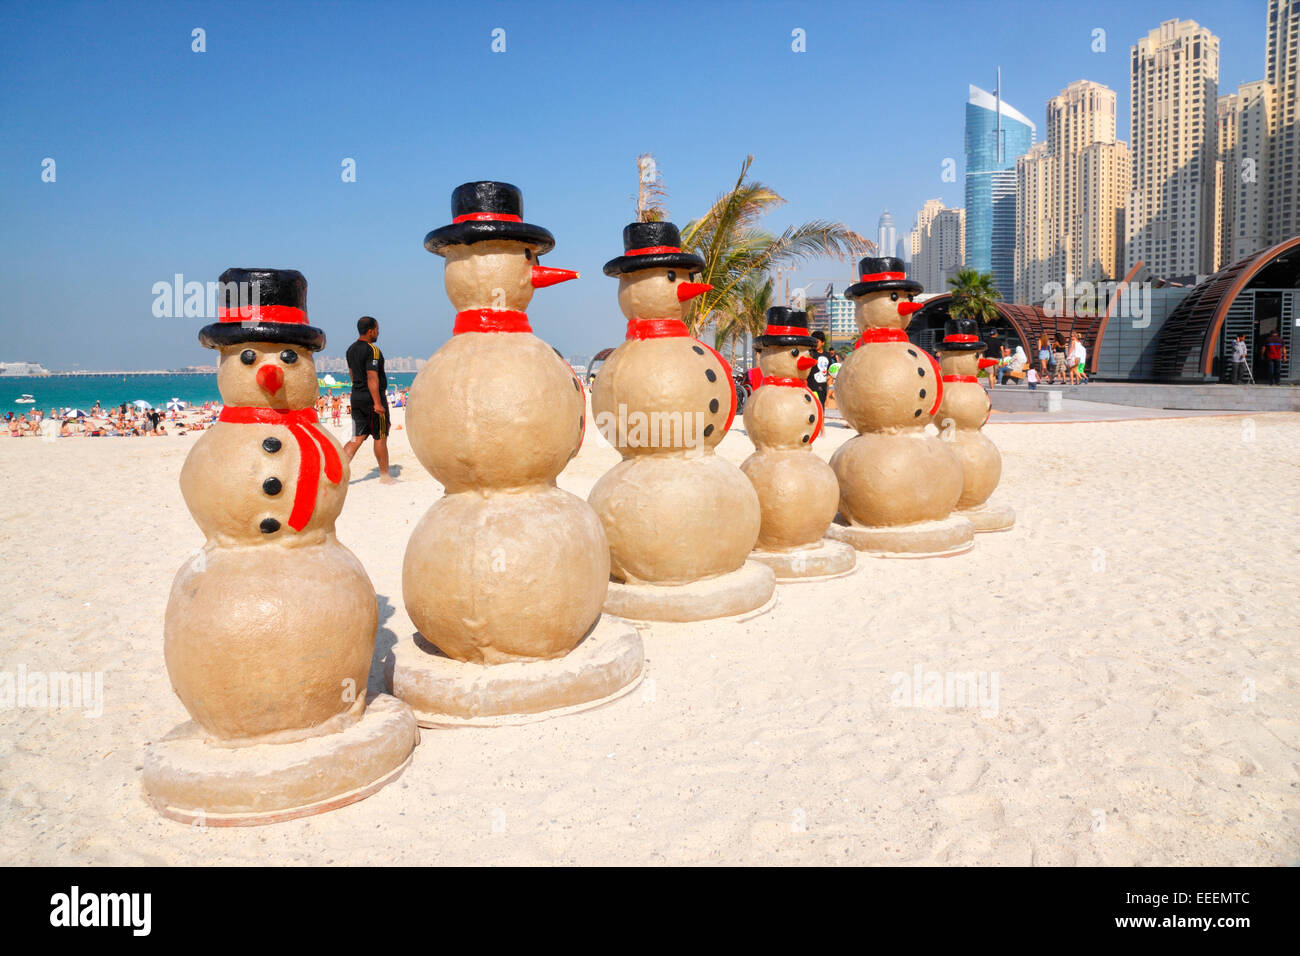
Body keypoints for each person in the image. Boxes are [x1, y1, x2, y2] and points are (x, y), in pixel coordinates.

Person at [342, 315, 394, 483]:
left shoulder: (350, 349)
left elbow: (352, 374)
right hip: (372, 399)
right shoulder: (372, 350)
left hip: (356, 396)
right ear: (370, 331)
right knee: (380, 437)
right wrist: (378, 403)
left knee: (356, 437)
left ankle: (336, 473)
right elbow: (372, 377)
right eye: (377, 329)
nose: (379, 332)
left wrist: (358, 391)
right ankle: (385, 476)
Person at [808, 330, 831, 405]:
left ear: (823, 342)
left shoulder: (827, 355)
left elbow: (829, 370)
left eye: (817, 341)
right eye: (813, 342)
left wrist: (829, 377)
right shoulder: (810, 354)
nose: (815, 344)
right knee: (814, 407)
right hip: (811, 387)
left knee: (821, 407)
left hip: (823, 388)